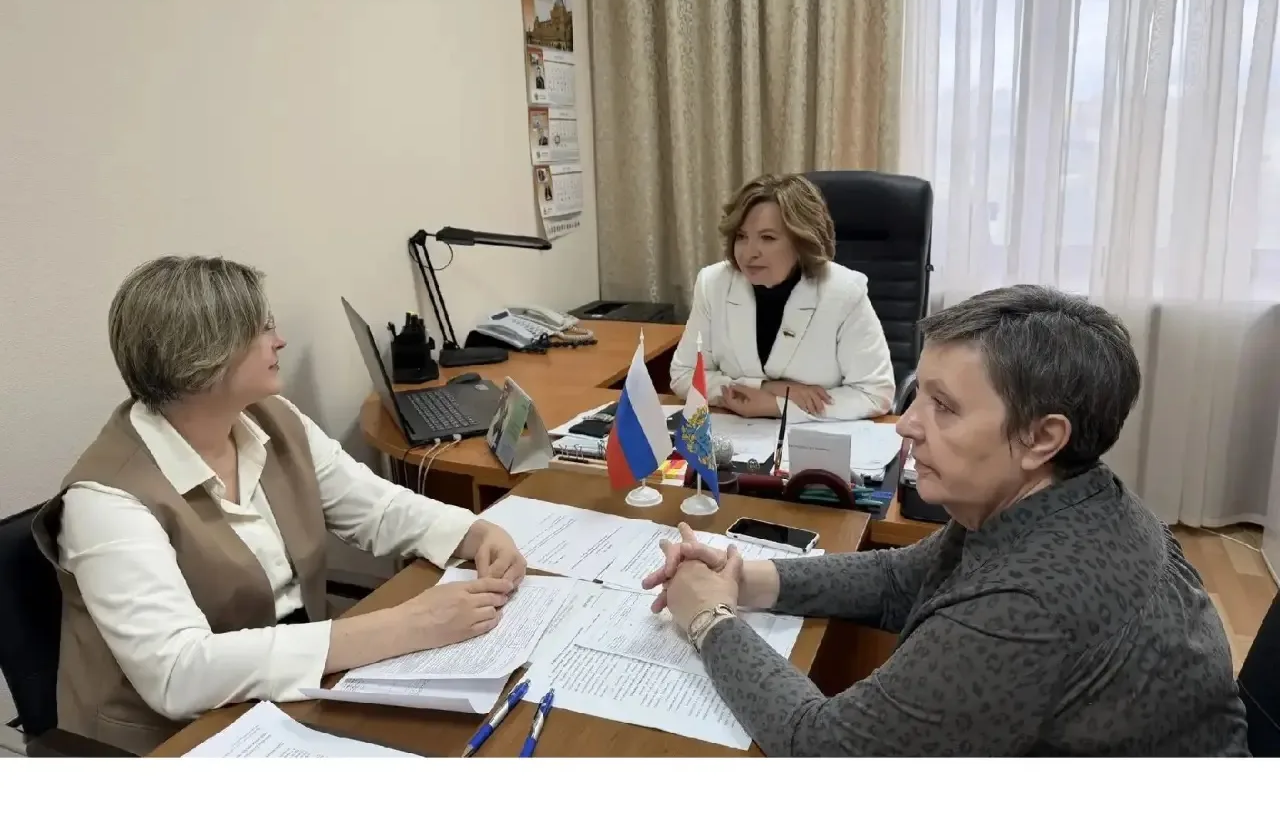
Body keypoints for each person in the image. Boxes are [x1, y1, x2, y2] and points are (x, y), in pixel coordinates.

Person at [645, 285, 1250, 756]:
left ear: (1043, 437)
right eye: (920, 395)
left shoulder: (1028, 606)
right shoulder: (1071, 495)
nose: (908, 424)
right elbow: (899, 579)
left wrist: (709, 619)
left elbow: (828, 750)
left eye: (945, 406)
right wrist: (744, 576)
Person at [32, 256, 527, 754]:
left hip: (291, 695)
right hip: (177, 740)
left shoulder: (269, 419)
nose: (280, 340)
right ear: (205, 356)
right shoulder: (106, 501)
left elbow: (375, 507)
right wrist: (407, 626)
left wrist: (474, 532)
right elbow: (179, 673)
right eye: (262, 328)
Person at [669, 173, 895, 421]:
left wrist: (776, 406)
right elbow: (684, 374)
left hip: (812, 438)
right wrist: (766, 387)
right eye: (742, 237)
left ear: (801, 242)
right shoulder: (713, 283)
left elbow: (874, 394)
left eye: (767, 238)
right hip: (735, 434)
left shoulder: (843, 291)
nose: (749, 253)